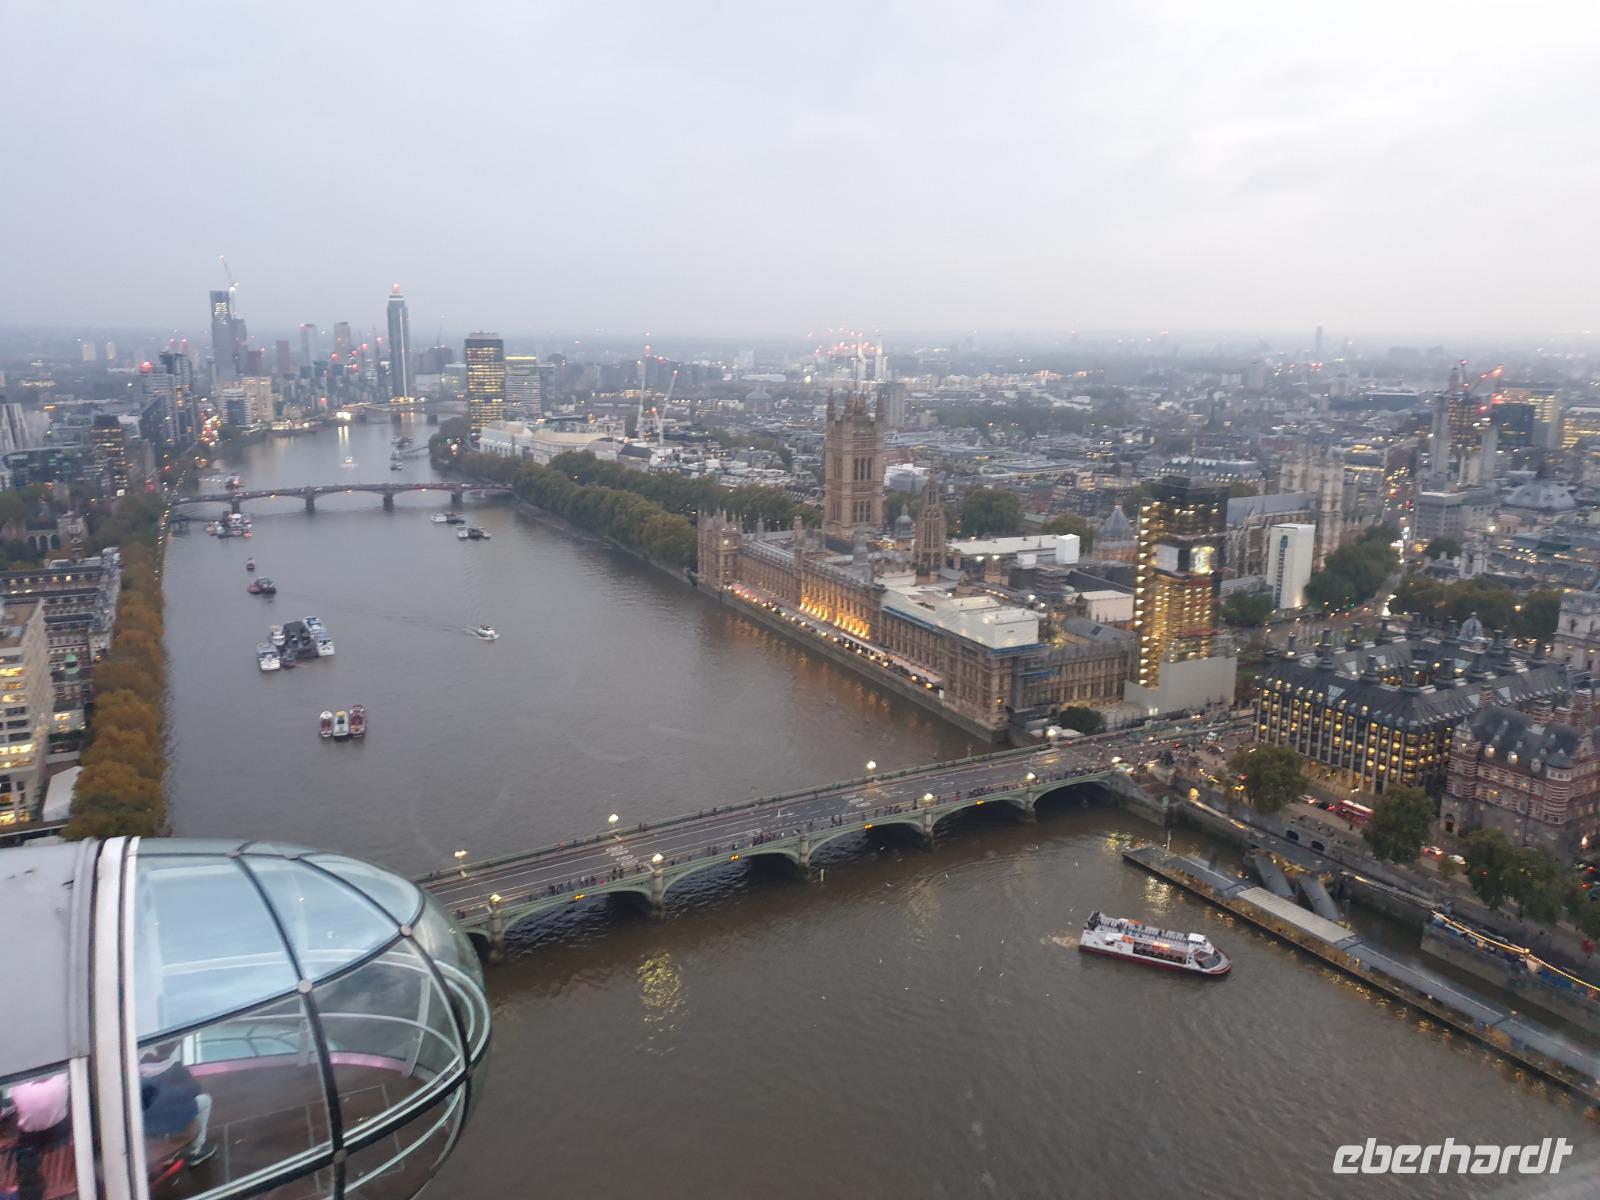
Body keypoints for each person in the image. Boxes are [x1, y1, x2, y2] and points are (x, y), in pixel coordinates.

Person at [139, 1050, 214, 1170]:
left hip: (147, 1126)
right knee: (206, 1100)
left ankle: (168, 1157)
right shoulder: (175, 1068)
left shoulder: (134, 1074)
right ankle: (196, 1150)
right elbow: (195, 1089)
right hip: (176, 1117)